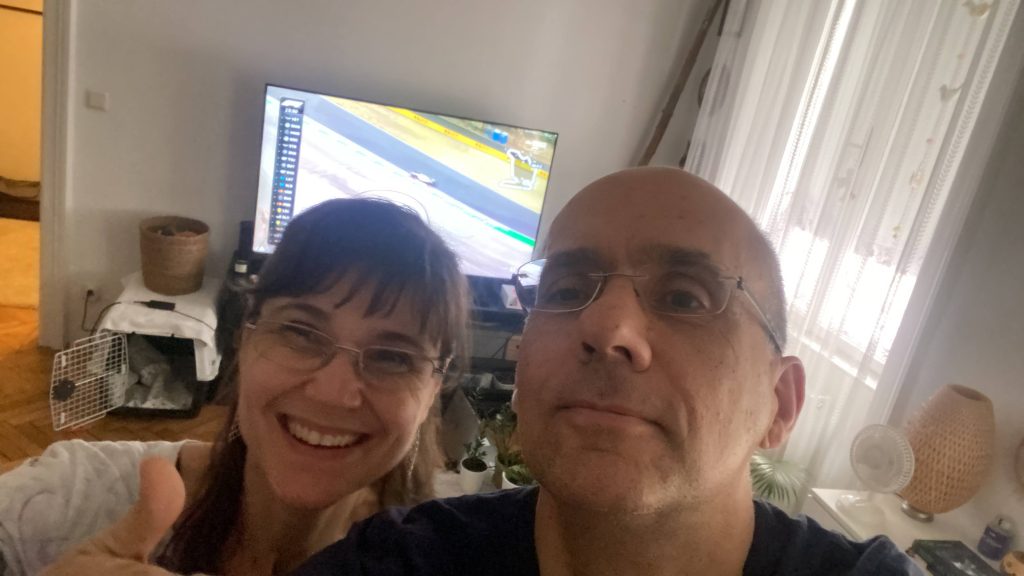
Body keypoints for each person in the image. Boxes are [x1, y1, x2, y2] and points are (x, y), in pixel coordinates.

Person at [294, 167, 920, 575]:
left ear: (779, 403)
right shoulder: (399, 561)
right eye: (567, 290)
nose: (605, 327)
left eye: (685, 297)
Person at [0, 197, 470, 575]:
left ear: (434, 388)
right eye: (301, 332)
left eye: (393, 357)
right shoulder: (74, 500)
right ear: (245, 338)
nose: (332, 392)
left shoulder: (452, 556)